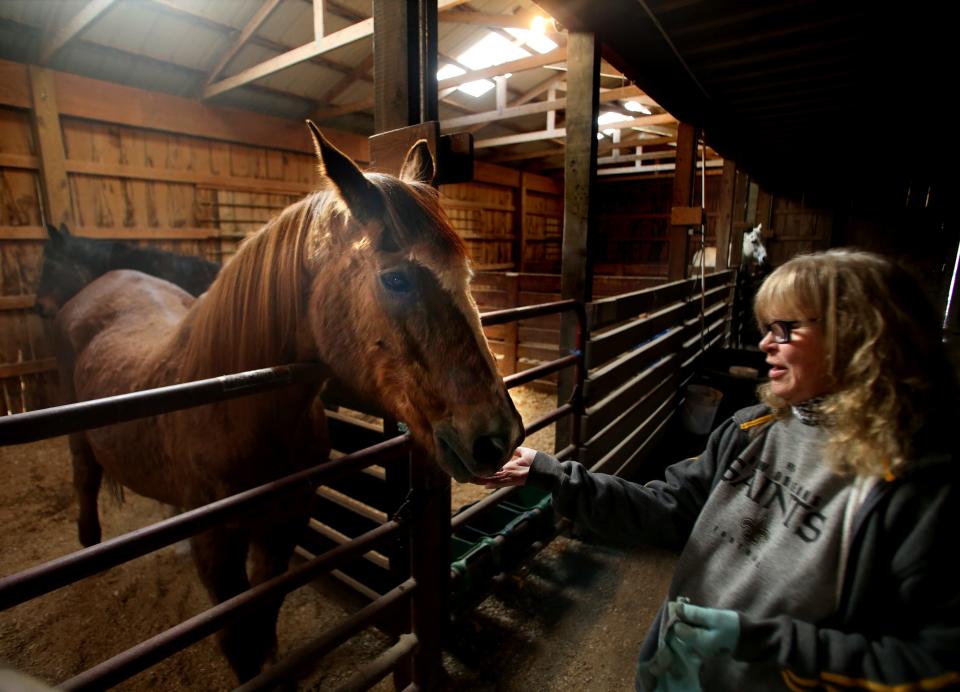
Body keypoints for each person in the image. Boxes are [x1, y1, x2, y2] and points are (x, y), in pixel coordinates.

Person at [478, 249, 960, 690]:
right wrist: (552, 473)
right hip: (682, 665)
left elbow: (935, 662)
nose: (766, 343)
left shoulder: (915, 485)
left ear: (857, 332)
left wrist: (771, 647)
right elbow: (668, 508)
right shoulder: (753, 429)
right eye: (767, 326)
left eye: (786, 328)